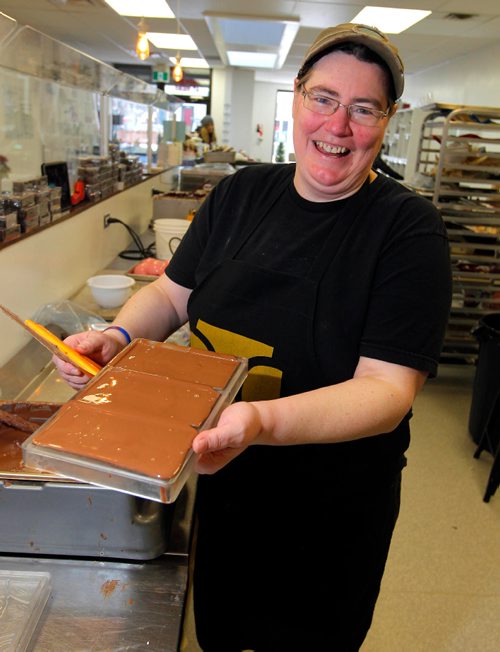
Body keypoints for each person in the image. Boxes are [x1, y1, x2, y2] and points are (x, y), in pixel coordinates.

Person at [53, 23, 451, 651]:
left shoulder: (407, 230)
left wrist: (259, 422)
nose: (337, 125)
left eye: (363, 108)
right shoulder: (241, 194)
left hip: (331, 510)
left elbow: (387, 390)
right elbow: (172, 293)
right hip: (226, 484)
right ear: (296, 97)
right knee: (221, 632)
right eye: (323, 98)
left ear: (388, 119)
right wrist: (119, 334)